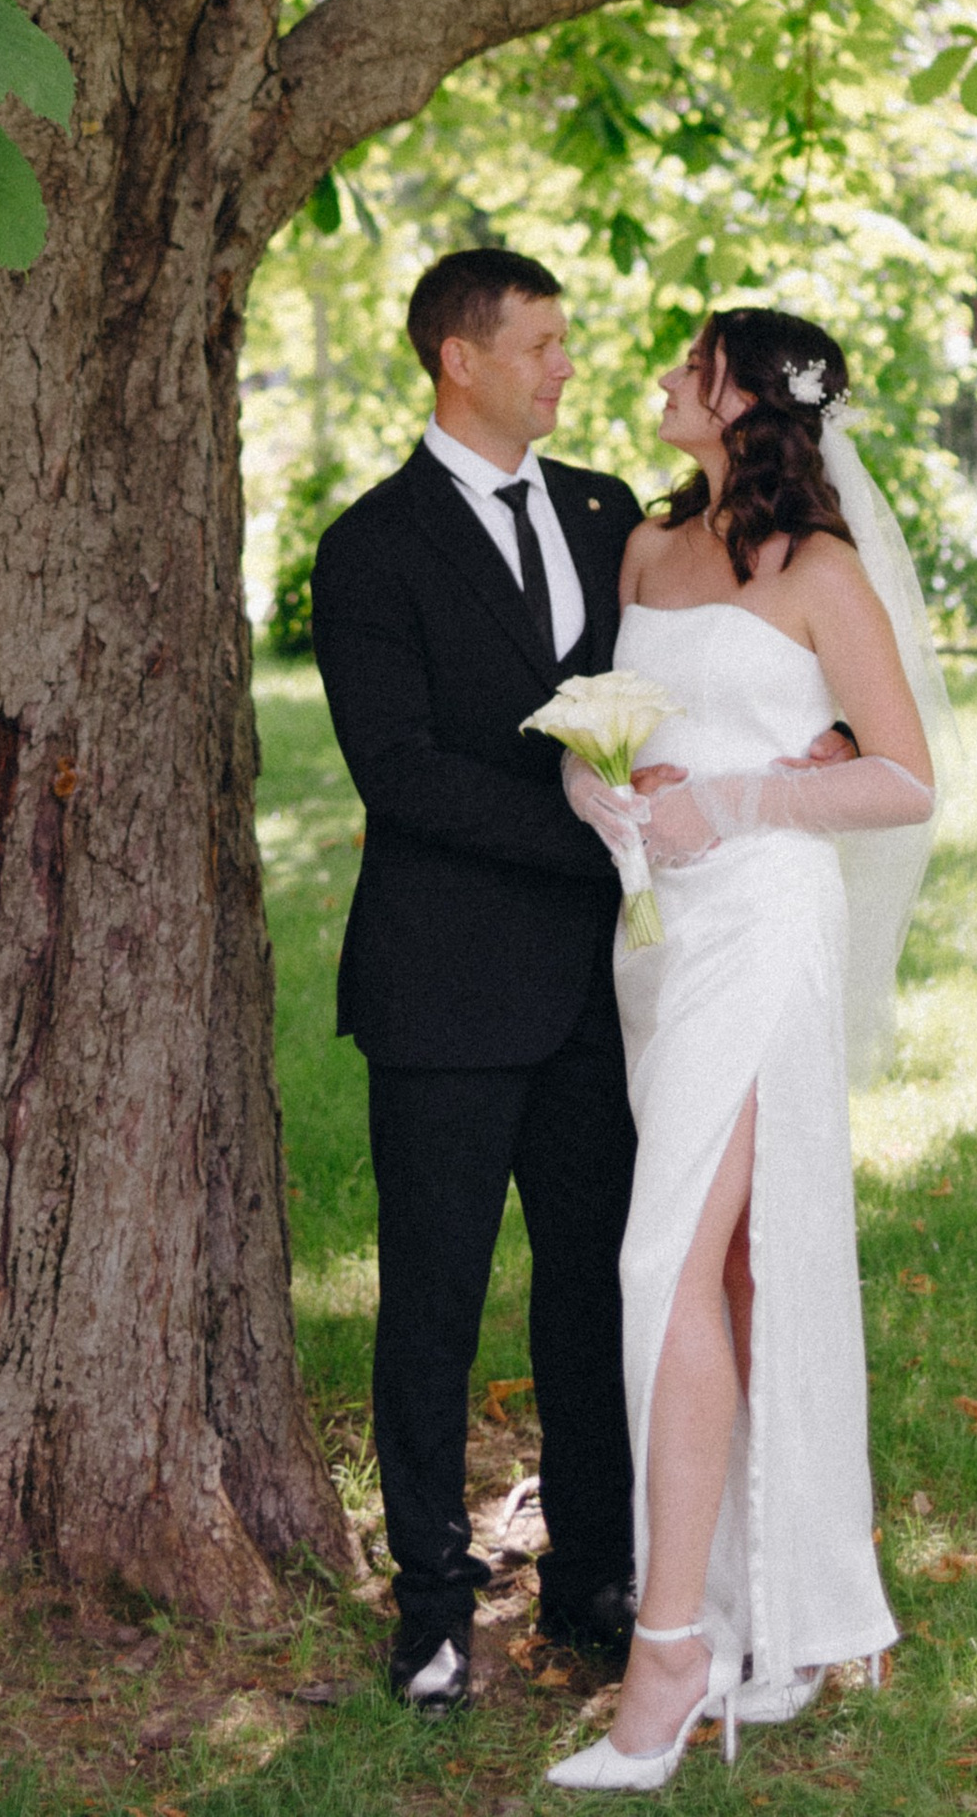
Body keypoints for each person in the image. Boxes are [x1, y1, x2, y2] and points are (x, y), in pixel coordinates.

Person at [543, 309, 948, 1792]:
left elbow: (904, 778)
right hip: (655, 935)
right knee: (725, 1273)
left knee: (659, 1264)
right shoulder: (647, 549)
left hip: (765, 926)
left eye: (689, 362)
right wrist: (596, 790)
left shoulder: (820, 571)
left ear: (742, 398)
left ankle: (670, 1655)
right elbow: (606, 723)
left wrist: (746, 803)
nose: (662, 376)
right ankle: (771, 1611)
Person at [308, 253, 650, 1712]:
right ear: (462, 359)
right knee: (433, 1309)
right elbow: (399, 772)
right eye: (543, 343)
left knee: (595, 1294)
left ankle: (595, 1579)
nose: (566, 366)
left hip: (596, 996)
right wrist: (591, 833)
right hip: (442, 992)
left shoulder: (608, 512)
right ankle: (434, 1611)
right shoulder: (369, 546)